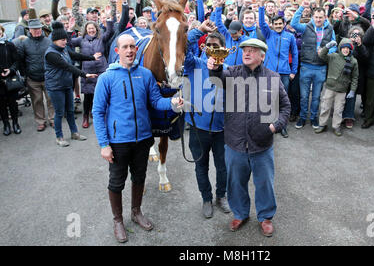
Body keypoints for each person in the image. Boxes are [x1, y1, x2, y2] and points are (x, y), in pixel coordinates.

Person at [92, 34, 183, 243]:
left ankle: (136, 212)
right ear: (117, 51)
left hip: (143, 138)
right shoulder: (107, 77)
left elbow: (155, 101)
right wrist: (104, 144)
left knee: (139, 177)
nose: (130, 50)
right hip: (118, 141)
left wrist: (171, 104)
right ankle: (118, 220)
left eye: (133, 46)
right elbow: (98, 112)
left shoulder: (146, 75)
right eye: (125, 47)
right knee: (116, 182)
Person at [208, 38, 290, 238]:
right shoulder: (233, 73)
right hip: (235, 143)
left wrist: (274, 126)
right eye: (245, 50)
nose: (247, 53)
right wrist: (214, 67)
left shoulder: (272, 77)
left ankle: (266, 217)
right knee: (235, 183)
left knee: (264, 183)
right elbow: (217, 77)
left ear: (262, 56)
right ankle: (240, 213)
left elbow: (286, 106)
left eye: (253, 51)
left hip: (262, 144)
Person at [185, 21, 231, 219]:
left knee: (223, 167)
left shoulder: (229, 68)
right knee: (201, 166)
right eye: (209, 45)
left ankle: (221, 196)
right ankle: (206, 198)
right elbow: (183, 45)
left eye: (217, 46)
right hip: (198, 128)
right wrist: (198, 31)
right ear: (204, 48)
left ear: (223, 49)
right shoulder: (193, 63)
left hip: (222, 129)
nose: (213, 49)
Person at [44, 22, 100, 146]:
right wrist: (84, 74)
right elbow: (67, 66)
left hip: (66, 85)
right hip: (55, 87)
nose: (65, 42)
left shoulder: (63, 50)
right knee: (59, 113)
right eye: (62, 40)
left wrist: (92, 57)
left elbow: (76, 55)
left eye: (65, 39)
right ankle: (59, 137)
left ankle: (74, 133)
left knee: (70, 111)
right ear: (54, 40)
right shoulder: (51, 53)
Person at [291, 1, 337, 130]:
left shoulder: (330, 29)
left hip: (321, 68)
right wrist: (301, 7)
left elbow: (334, 45)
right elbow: (293, 24)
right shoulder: (307, 27)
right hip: (306, 66)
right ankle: (302, 117)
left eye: (320, 17)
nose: (318, 19)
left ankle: (313, 118)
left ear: (324, 18)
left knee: (316, 97)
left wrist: (326, 52)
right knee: (304, 96)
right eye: (316, 17)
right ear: (312, 17)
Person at [259, 0, 298, 137]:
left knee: (283, 100)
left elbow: (294, 54)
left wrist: (293, 71)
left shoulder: (290, 37)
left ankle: (282, 125)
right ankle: (267, 124)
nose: (278, 26)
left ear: (284, 24)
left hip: (284, 73)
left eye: (280, 24)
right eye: (275, 24)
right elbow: (262, 24)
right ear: (273, 25)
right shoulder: (268, 34)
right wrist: (262, 6)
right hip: (269, 71)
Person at [68, 18, 113, 129]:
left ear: (96, 29)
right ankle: (85, 117)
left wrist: (108, 19)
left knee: (103, 94)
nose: (91, 30)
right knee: (88, 96)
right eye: (89, 29)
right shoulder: (81, 40)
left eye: (93, 28)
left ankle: (102, 116)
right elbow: (68, 42)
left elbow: (110, 31)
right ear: (86, 30)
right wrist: (69, 29)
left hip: (101, 69)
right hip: (87, 71)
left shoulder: (101, 38)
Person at [15, 19, 54, 131]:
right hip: (32, 78)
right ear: (29, 30)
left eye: (39, 28)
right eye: (34, 29)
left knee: (51, 99)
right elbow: (20, 61)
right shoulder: (24, 43)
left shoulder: (48, 41)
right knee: (37, 101)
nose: (37, 31)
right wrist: (25, 74)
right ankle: (40, 121)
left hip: (48, 76)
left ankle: (53, 119)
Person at [315, 39, 359, 136]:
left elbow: (355, 77)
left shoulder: (353, 61)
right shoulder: (333, 56)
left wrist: (352, 90)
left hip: (342, 90)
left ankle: (336, 126)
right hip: (330, 87)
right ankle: (322, 124)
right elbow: (322, 55)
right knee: (325, 107)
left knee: (339, 110)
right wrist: (327, 47)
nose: (345, 50)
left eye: (348, 48)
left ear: (350, 50)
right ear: (340, 48)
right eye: (344, 48)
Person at [342, 26, 369, 128]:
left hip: (356, 75)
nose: (355, 36)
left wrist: (359, 45)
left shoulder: (362, 45)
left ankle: (349, 117)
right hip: (344, 74)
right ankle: (340, 115)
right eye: (353, 34)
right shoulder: (345, 43)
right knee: (341, 96)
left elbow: (366, 58)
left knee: (351, 96)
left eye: (358, 34)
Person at [0, 25, 21, 136]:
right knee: (2, 105)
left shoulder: (9, 45)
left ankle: (15, 123)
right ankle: (6, 125)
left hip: (10, 78)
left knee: (12, 103)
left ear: (2, 31)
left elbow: (17, 61)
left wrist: (11, 69)